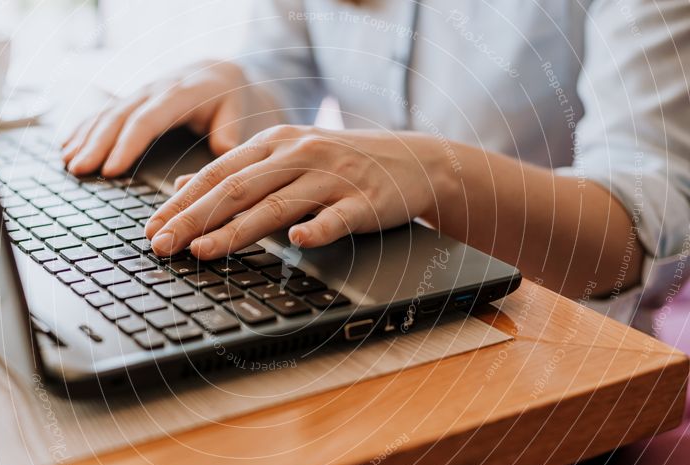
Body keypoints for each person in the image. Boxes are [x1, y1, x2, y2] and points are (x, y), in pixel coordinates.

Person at [61, 0, 690, 331]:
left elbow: (651, 235)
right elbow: (278, 74)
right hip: (372, 304)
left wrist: (440, 173)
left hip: (550, 351)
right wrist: (238, 84)